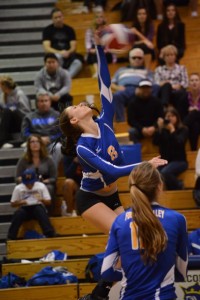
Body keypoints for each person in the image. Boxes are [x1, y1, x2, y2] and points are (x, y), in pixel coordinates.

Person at [59, 32, 167, 300]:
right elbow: (111, 171)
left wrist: (98, 48)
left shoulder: (105, 120)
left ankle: (108, 289)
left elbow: (104, 83)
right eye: (75, 107)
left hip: (112, 195)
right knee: (126, 232)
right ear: (74, 121)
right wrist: (146, 164)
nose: (81, 104)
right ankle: (103, 291)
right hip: (90, 199)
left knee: (135, 233)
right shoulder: (83, 147)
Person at [101, 161, 188, 299]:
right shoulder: (177, 219)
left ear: (132, 188)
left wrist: (128, 274)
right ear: (159, 186)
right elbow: (182, 272)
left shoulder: (119, 222)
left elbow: (106, 271)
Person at [111, 47, 159, 122]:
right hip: (124, 90)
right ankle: (121, 121)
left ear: (143, 59)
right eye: (134, 57)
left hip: (141, 90)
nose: (137, 59)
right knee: (116, 95)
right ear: (129, 59)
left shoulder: (147, 71)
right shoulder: (121, 70)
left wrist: (141, 89)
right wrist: (117, 88)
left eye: (139, 58)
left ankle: (152, 117)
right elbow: (111, 83)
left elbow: (152, 83)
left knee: (156, 87)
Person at [7, 168, 56, 240]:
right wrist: (21, 202)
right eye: (27, 183)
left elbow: (49, 201)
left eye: (31, 183)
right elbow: (12, 204)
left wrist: (42, 200)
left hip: (37, 206)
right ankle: (11, 237)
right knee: (18, 214)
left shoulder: (41, 186)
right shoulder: (18, 188)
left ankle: (50, 233)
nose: (29, 185)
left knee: (40, 211)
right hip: (24, 208)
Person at [16, 134, 57, 216]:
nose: (35, 144)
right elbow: (17, 178)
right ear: (28, 145)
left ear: (41, 144)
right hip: (28, 185)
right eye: (32, 142)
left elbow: (54, 178)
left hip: (44, 184)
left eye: (37, 141)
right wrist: (24, 180)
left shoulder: (48, 159)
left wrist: (43, 181)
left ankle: (48, 214)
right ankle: (28, 214)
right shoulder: (23, 160)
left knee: (49, 188)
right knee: (21, 189)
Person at [21, 92, 62, 167]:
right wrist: (37, 139)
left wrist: (50, 138)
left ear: (50, 102)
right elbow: (24, 134)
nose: (44, 103)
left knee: (58, 147)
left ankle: (52, 172)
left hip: (51, 143)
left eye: (46, 101)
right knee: (26, 150)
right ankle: (34, 174)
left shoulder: (57, 115)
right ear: (37, 103)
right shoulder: (29, 117)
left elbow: (61, 133)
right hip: (34, 143)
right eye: (41, 101)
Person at [153, 107, 188, 190]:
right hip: (165, 161)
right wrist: (160, 129)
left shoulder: (183, 129)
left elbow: (179, 143)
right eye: (168, 116)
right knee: (154, 172)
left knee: (165, 172)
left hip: (179, 161)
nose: (170, 118)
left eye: (172, 116)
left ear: (177, 117)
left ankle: (179, 185)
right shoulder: (163, 131)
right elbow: (155, 142)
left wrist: (172, 130)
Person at [42, 8, 83, 78]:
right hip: (55, 55)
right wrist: (60, 52)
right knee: (57, 58)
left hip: (68, 55)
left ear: (63, 17)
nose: (58, 19)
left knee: (78, 63)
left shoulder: (70, 30)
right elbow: (47, 48)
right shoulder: (47, 30)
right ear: (52, 19)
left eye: (60, 17)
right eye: (56, 17)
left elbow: (73, 47)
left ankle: (66, 77)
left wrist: (67, 52)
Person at [154, 44, 189, 120]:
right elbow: (156, 83)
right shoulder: (159, 69)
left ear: (175, 56)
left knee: (181, 93)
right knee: (166, 86)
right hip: (164, 92)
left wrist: (172, 86)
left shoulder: (182, 68)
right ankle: (164, 107)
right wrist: (168, 85)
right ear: (164, 57)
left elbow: (185, 83)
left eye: (172, 55)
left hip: (178, 92)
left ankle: (180, 118)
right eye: (167, 55)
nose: (170, 57)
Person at [127, 79, 164, 144]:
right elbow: (131, 120)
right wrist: (142, 129)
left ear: (151, 89)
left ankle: (162, 152)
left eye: (147, 88)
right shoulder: (132, 103)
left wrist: (154, 127)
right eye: (143, 88)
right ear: (139, 89)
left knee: (164, 130)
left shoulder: (157, 102)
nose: (145, 90)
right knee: (132, 131)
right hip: (140, 129)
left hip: (154, 128)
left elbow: (161, 116)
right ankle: (137, 151)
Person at [0, 76, 30, 148]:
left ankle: (2, 141)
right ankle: (5, 140)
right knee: (6, 112)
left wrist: (13, 110)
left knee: (7, 111)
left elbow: (27, 113)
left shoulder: (20, 94)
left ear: (5, 85)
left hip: (22, 120)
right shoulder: (3, 96)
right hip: (10, 122)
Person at [85, 12, 113, 78]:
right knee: (95, 50)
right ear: (94, 19)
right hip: (94, 52)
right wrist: (91, 50)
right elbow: (88, 43)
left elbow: (110, 42)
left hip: (106, 51)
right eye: (97, 17)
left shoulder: (108, 29)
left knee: (100, 51)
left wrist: (105, 50)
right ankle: (97, 71)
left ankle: (103, 71)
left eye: (101, 17)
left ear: (104, 19)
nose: (99, 19)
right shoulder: (90, 30)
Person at [183, 73, 200, 150]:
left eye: (196, 80)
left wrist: (195, 112)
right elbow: (180, 115)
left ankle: (181, 129)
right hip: (191, 125)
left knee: (195, 113)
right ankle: (194, 150)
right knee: (195, 125)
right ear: (188, 84)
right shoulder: (183, 98)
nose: (194, 82)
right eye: (192, 80)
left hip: (188, 123)